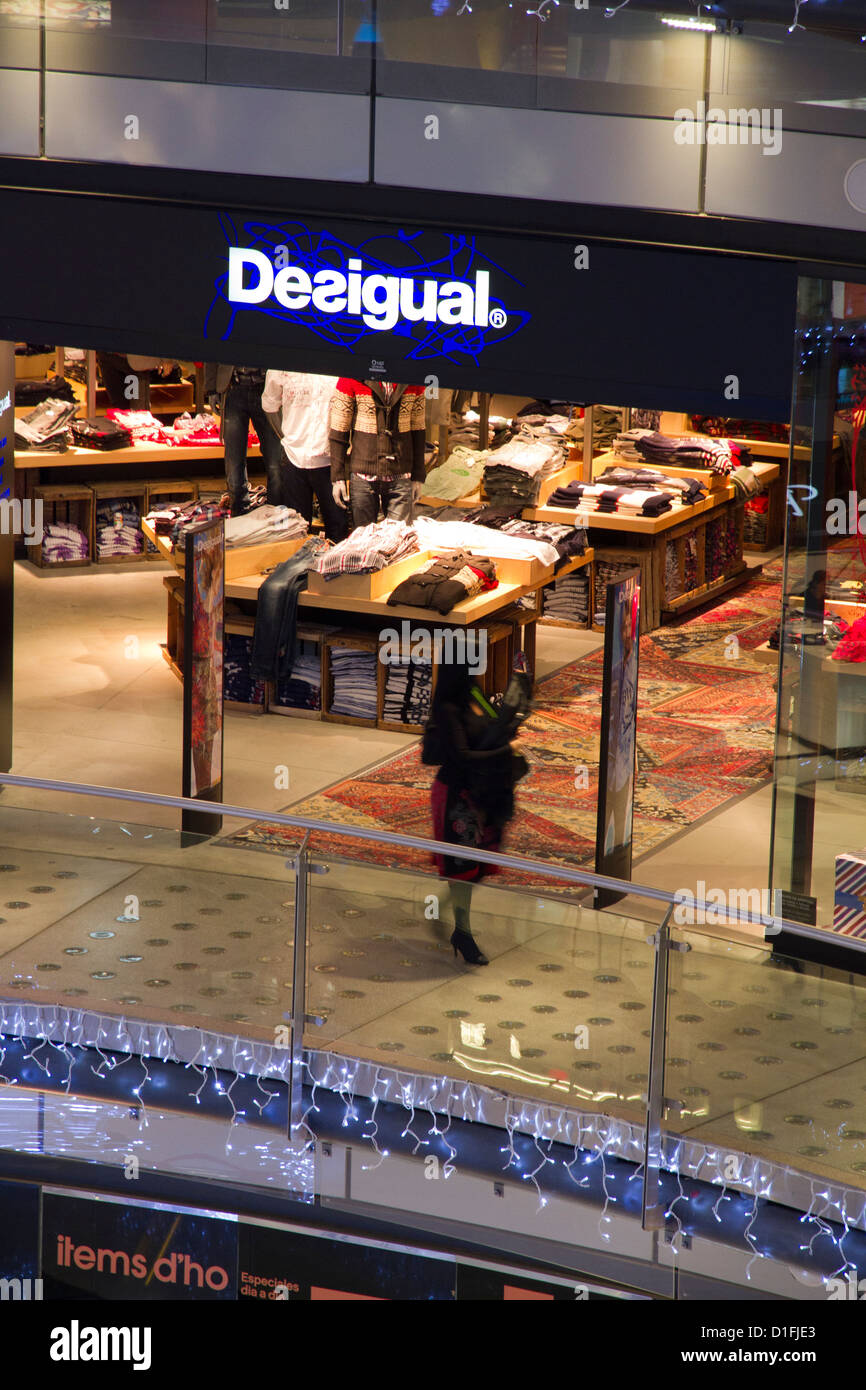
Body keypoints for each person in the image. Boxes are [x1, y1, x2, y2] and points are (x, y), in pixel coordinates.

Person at [424, 658, 523, 966]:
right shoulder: (448, 709)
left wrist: (512, 719)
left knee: (480, 866)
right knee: (463, 870)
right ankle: (463, 933)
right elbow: (463, 756)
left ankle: (447, 909)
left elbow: (493, 724)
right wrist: (505, 751)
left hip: (482, 794)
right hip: (457, 796)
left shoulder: (475, 694)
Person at [204, 363, 285, 515]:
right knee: (234, 463)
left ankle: (275, 518)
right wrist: (211, 388)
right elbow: (214, 344)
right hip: (233, 386)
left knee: (275, 462)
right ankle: (239, 516)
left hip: (267, 387)